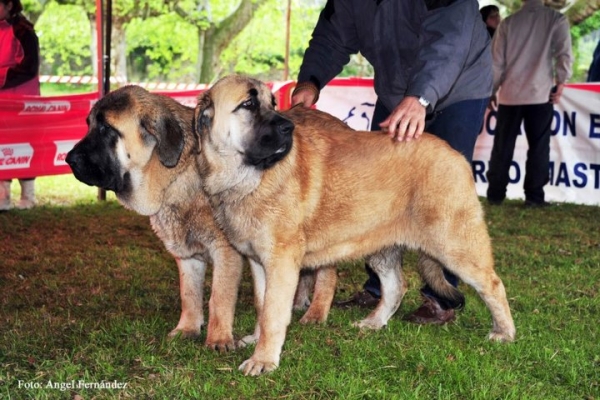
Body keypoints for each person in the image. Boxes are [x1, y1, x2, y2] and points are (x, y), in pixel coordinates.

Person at [291, 0, 492, 325]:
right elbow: (331, 34)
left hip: (458, 89)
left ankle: (440, 298)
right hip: (397, 92)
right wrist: (310, 81)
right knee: (374, 195)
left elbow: (449, 41)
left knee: (441, 197)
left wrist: (421, 97)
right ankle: (378, 286)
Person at [486, 0, 572, 208]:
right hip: (539, 93)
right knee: (539, 147)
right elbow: (564, 54)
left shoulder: (508, 23)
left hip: (510, 94)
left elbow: (496, 62)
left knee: (502, 146)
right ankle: (534, 196)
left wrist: (491, 90)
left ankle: (495, 194)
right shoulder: (556, 19)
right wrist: (561, 82)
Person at [0, 0, 40, 211]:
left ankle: (28, 197)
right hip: (2, 100)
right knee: (1, 144)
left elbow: (30, 67)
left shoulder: (24, 31)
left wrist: (2, 79)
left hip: (24, 100)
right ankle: (3, 197)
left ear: (9, 5)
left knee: (25, 143)